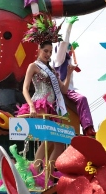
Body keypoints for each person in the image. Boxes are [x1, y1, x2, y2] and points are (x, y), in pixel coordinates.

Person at [21, 23, 73, 165]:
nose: (48, 54)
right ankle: (38, 171)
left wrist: (68, 74)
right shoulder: (33, 66)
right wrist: (31, 106)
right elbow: (25, 88)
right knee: (50, 140)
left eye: (50, 52)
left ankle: (45, 174)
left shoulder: (52, 71)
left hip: (53, 108)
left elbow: (63, 90)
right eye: (45, 51)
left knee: (59, 145)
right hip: (40, 106)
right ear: (39, 50)